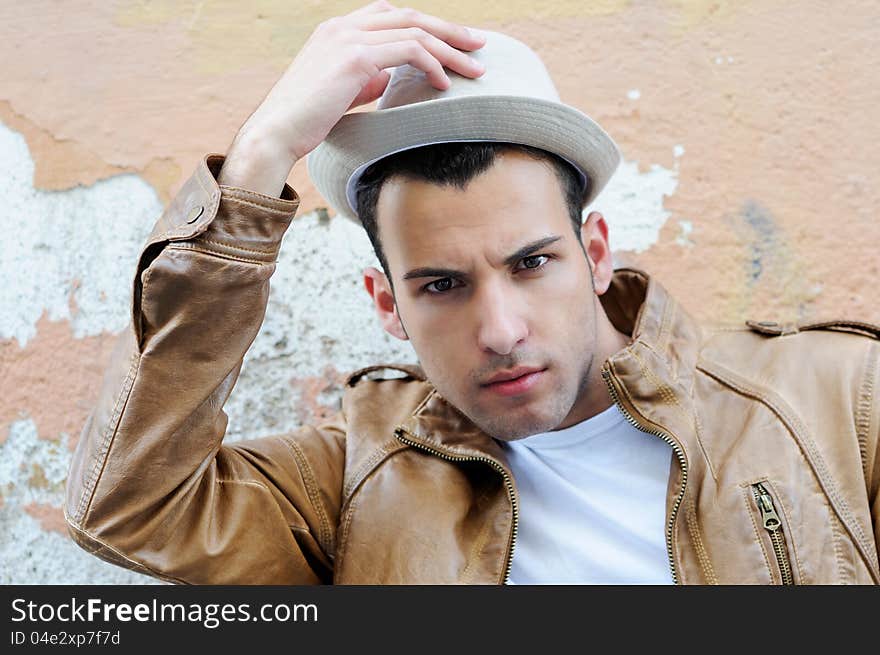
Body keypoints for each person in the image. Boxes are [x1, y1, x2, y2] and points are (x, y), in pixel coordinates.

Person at [65, 1, 879, 585]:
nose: (500, 328)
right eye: (444, 284)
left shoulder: (837, 402)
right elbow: (130, 503)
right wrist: (259, 156)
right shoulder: (353, 480)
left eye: (531, 262)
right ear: (388, 305)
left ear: (594, 252)